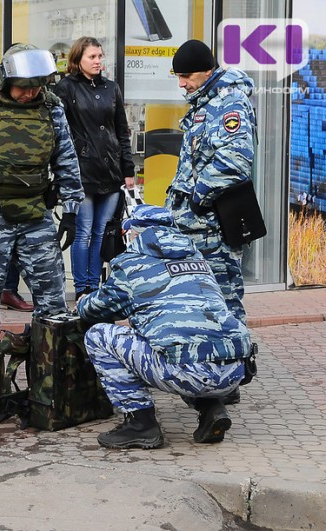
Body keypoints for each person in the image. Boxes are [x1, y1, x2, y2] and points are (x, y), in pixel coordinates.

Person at [77, 205, 252, 449]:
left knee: (98, 336)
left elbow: (96, 311)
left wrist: (82, 301)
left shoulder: (130, 263)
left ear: (133, 233)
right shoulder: (198, 258)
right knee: (178, 337)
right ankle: (211, 408)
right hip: (234, 372)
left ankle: (140, 424)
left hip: (189, 373)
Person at [0, 43, 84, 345]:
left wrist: (71, 210)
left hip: (36, 217)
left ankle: (50, 381)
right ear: (6, 81)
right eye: (24, 87)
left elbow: (66, 160)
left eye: (37, 86)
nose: (30, 93)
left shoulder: (52, 109)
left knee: (53, 306)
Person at [165, 39, 256, 405]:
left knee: (225, 302)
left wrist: (198, 197)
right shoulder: (205, 102)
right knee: (207, 303)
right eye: (178, 77)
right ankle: (218, 377)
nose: (182, 83)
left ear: (207, 70)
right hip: (198, 227)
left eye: (186, 75)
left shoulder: (229, 103)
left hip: (214, 228)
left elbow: (235, 161)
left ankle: (232, 378)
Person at [52, 36, 135, 300]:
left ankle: (95, 287)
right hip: (81, 171)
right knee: (83, 231)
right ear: (78, 60)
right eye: (92, 57)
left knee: (102, 231)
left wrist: (128, 169)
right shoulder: (65, 88)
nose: (98, 61)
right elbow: (58, 131)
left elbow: (122, 131)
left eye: (100, 56)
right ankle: (82, 288)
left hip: (110, 171)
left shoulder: (112, 88)